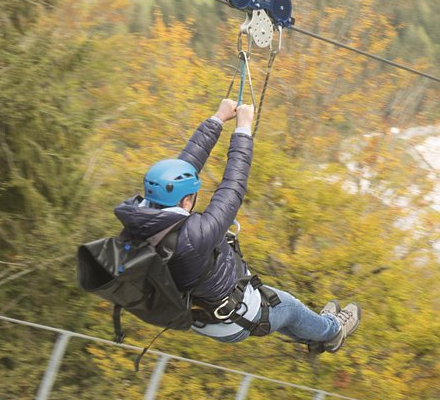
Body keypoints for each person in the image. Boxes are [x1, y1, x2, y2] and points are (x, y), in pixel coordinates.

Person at [114, 98, 360, 353]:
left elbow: (180, 169)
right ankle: (333, 331)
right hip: (235, 316)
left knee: (283, 315)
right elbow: (233, 186)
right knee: (290, 308)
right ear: (186, 201)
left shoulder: (139, 216)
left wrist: (217, 119)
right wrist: (243, 128)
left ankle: (314, 335)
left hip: (201, 316)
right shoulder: (195, 236)